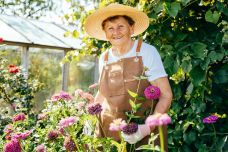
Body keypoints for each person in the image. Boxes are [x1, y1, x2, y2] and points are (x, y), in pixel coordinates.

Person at [84, 3, 173, 150]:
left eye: (121, 26)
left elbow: (166, 95)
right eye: (110, 28)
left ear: (131, 28)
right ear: (105, 33)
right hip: (109, 132)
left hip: (144, 132)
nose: (116, 32)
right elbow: (103, 94)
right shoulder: (104, 58)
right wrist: (91, 114)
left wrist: (147, 127)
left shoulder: (146, 52)